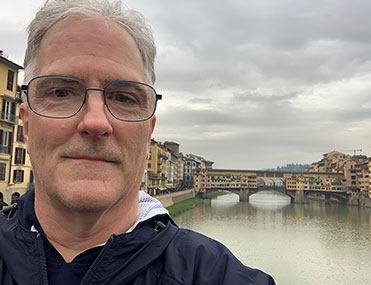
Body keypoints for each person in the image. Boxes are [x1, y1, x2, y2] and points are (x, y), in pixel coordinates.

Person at [0, 0, 275, 284]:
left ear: (148, 135)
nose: (95, 122)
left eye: (123, 98)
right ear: (27, 124)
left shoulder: (218, 276)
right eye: (60, 93)